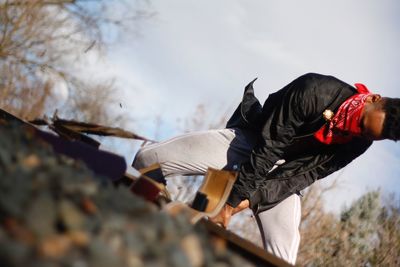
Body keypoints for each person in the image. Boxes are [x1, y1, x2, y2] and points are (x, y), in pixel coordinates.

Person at [132, 73, 400, 265]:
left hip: (282, 178)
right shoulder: (315, 89)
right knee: (147, 158)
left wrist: (233, 205)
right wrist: (223, 203)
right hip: (251, 143)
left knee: (283, 256)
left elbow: (304, 174)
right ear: (373, 99)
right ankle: (158, 222)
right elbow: (268, 149)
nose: (356, 132)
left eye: (366, 134)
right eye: (362, 123)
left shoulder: (359, 144)